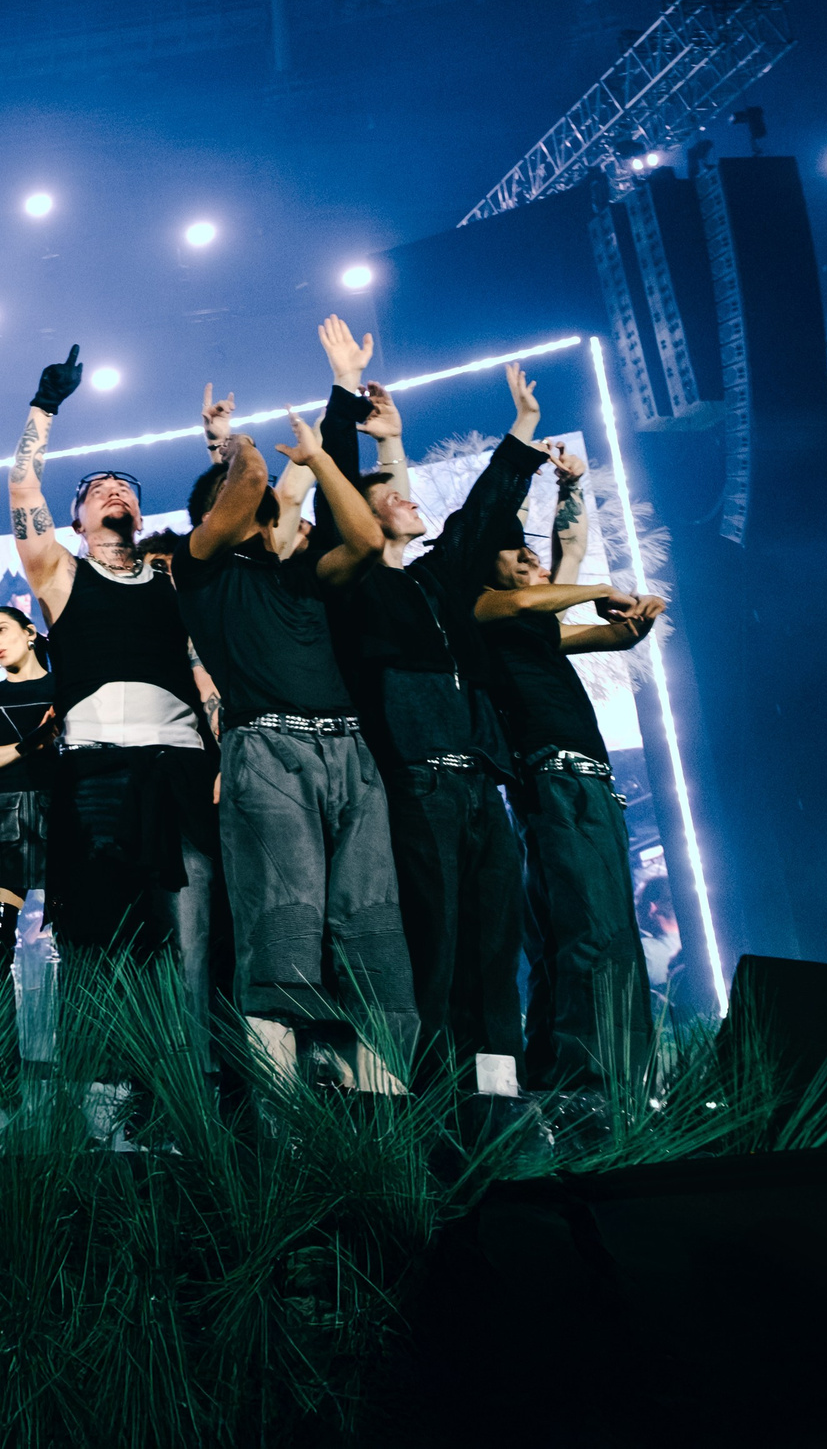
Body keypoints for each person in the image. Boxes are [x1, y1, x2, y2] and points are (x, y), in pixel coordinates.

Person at [313, 325, 554, 1101]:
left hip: (484, 782)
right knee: (435, 943)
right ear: (364, 513)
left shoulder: (437, 581)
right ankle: (433, 1103)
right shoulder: (353, 588)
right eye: (393, 494)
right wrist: (348, 394)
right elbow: (338, 486)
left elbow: (483, 512)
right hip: (415, 786)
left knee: (494, 948)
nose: (409, 496)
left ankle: (497, 1099)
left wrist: (520, 433)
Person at [175, 400, 416, 1087]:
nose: (300, 514)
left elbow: (368, 542)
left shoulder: (304, 578)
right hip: (268, 753)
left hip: (351, 755)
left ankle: (377, 1119)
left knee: (374, 936)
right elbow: (250, 478)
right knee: (284, 936)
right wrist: (235, 443)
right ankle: (288, 1127)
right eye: (287, 508)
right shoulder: (201, 569)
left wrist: (318, 461)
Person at [6, 347, 219, 1048]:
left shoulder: (174, 580)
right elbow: (21, 488)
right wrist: (44, 408)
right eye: (95, 487)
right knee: (98, 939)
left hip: (184, 767)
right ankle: (99, 1102)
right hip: (96, 771)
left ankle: (188, 1100)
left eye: (123, 485)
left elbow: (205, 676)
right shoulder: (61, 575)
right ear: (74, 520)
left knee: (190, 938)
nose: (112, 489)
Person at [473, 516, 667, 1101]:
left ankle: (570, 1080)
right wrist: (600, 592)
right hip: (556, 778)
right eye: (519, 553)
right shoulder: (481, 607)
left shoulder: (533, 631)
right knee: (591, 933)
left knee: (587, 933)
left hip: (575, 784)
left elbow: (613, 635)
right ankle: (596, 1087)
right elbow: (534, 595)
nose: (533, 561)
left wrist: (635, 620)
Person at [0, 605, 56, 1088]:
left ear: (29, 633)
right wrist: (30, 744)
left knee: (81, 943)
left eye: (2, 630)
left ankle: (90, 1066)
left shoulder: (64, 687)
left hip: (66, 814)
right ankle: (2, 1072)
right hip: (5, 819)